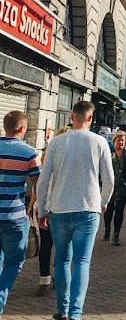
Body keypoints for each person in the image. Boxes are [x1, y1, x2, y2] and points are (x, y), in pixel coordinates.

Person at [36, 101, 114, 320]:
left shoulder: (56, 142)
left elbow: (43, 179)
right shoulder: (99, 142)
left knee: (62, 260)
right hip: (87, 209)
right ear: (91, 118)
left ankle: (62, 312)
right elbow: (109, 178)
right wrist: (102, 202)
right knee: (82, 262)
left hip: (59, 209)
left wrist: (43, 208)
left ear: (71, 116)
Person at [0, 110, 41, 316]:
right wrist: (37, 209)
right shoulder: (29, 153)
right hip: (14, 217)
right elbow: (39, 185)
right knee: (14, 261)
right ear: (23, 128)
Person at [36, 125, 71, 294]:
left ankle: (44, 280)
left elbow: (41, 185)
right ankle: (58, 279)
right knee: (61, 247)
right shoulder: (70, 161)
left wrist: (39, 207)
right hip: (61, 208)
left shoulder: (47, 156)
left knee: (46, 245)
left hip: (48, 206)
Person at [103, 131, 126, 245]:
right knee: (108, 211)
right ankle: (107, 229)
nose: (121, 142)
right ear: (114, 141)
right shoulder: (108, 152)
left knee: (119, 211)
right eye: (119, 140)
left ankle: (116, 234)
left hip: (122, 186)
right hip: (109, 185)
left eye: (123, 140)